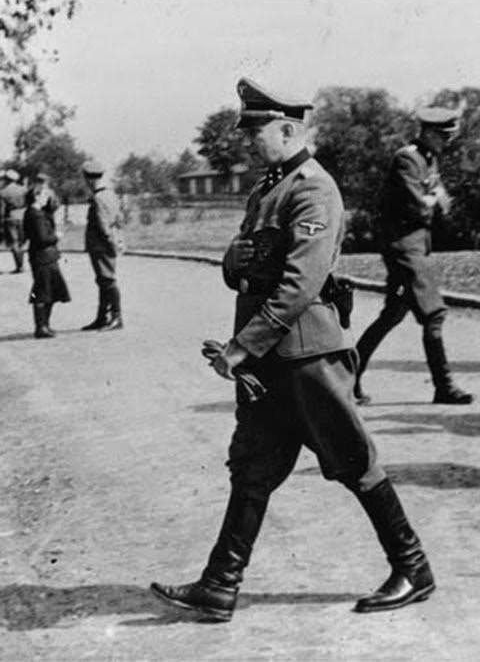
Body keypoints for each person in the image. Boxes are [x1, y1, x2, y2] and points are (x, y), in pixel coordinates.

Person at [150, 78, 434, 623]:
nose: (250, 141)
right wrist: (238, 264)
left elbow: (300, 284)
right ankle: (219, 584)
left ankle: (413, 567)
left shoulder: (313, 188)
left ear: (288, 127)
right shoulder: (268, 190)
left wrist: (240, 348)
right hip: (271, 361)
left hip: (306, 357)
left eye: (258, 130)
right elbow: (250, 267)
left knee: (354, 461)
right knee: (253, 468)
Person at [353, 107, 473, 405]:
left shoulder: (428, 158)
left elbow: (442, 202)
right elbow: (420, 205)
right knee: (433, 313)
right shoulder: (407, 158)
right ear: (429, 133)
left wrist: (434, 199)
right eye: (444, 137)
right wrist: (433, 198)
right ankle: (443, 386)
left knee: (392, 314)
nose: (447, 143)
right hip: (404, 247)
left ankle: (346, 377)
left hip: (417, 244)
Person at [23, 172, 71, 337]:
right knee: (43, 292)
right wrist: (56, 236)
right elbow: (42, 238)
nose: (48, 197)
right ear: (37, 196)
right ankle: (41, 327)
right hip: (43, 256)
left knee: (49, 291)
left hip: (46, 256)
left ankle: (45, 325)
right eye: (44, 194)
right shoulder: (35, 214)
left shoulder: (38, 213)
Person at [81, 160, 124, 331]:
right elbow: (119, 220)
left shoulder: (98, 198)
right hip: (109, 241)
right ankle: (102, 317)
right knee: (103, 280)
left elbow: (102, 224)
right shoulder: (111, 194)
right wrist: (118, 240)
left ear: (88, 179)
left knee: (107, 280)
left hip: (101, 244)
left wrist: (109, 242)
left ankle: (116, 316)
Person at [0, 168, 28, 273]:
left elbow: (2, 209)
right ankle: (22, 264)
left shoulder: (4, 192)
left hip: (11, 216)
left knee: (14, 242)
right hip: (23, 215)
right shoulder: (23, 190)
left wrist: (2, 220)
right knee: (22, 242)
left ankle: (19, 266)